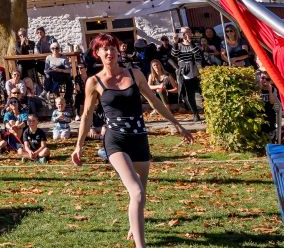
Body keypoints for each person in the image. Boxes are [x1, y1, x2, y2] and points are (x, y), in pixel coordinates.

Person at [73, 33, 193, 248]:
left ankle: (133, 224)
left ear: (119, 51)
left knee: (140, 193)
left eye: (113, 48)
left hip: (139, 138)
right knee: (135, 191)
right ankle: (141, 246)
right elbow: (87, 115)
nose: (109, 52)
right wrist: (78, 146)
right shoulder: (94, 81)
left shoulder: (134, 73)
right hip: (115, 140)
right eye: (104, 49)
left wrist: (178, 124)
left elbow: (155, 102)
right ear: (97, 53)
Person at [171, 28, 204, 121]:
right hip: (185, 72)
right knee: (190, 94)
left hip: (195, 71)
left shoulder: (195, 43)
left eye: (188, 32)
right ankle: (195, 114)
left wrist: (190, 42)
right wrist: (175, 42)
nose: (186, 34)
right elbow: (174, 54)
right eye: (184, 33)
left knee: (202, 92)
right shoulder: (179, 45)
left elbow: (197, 52)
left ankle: (207, 111)